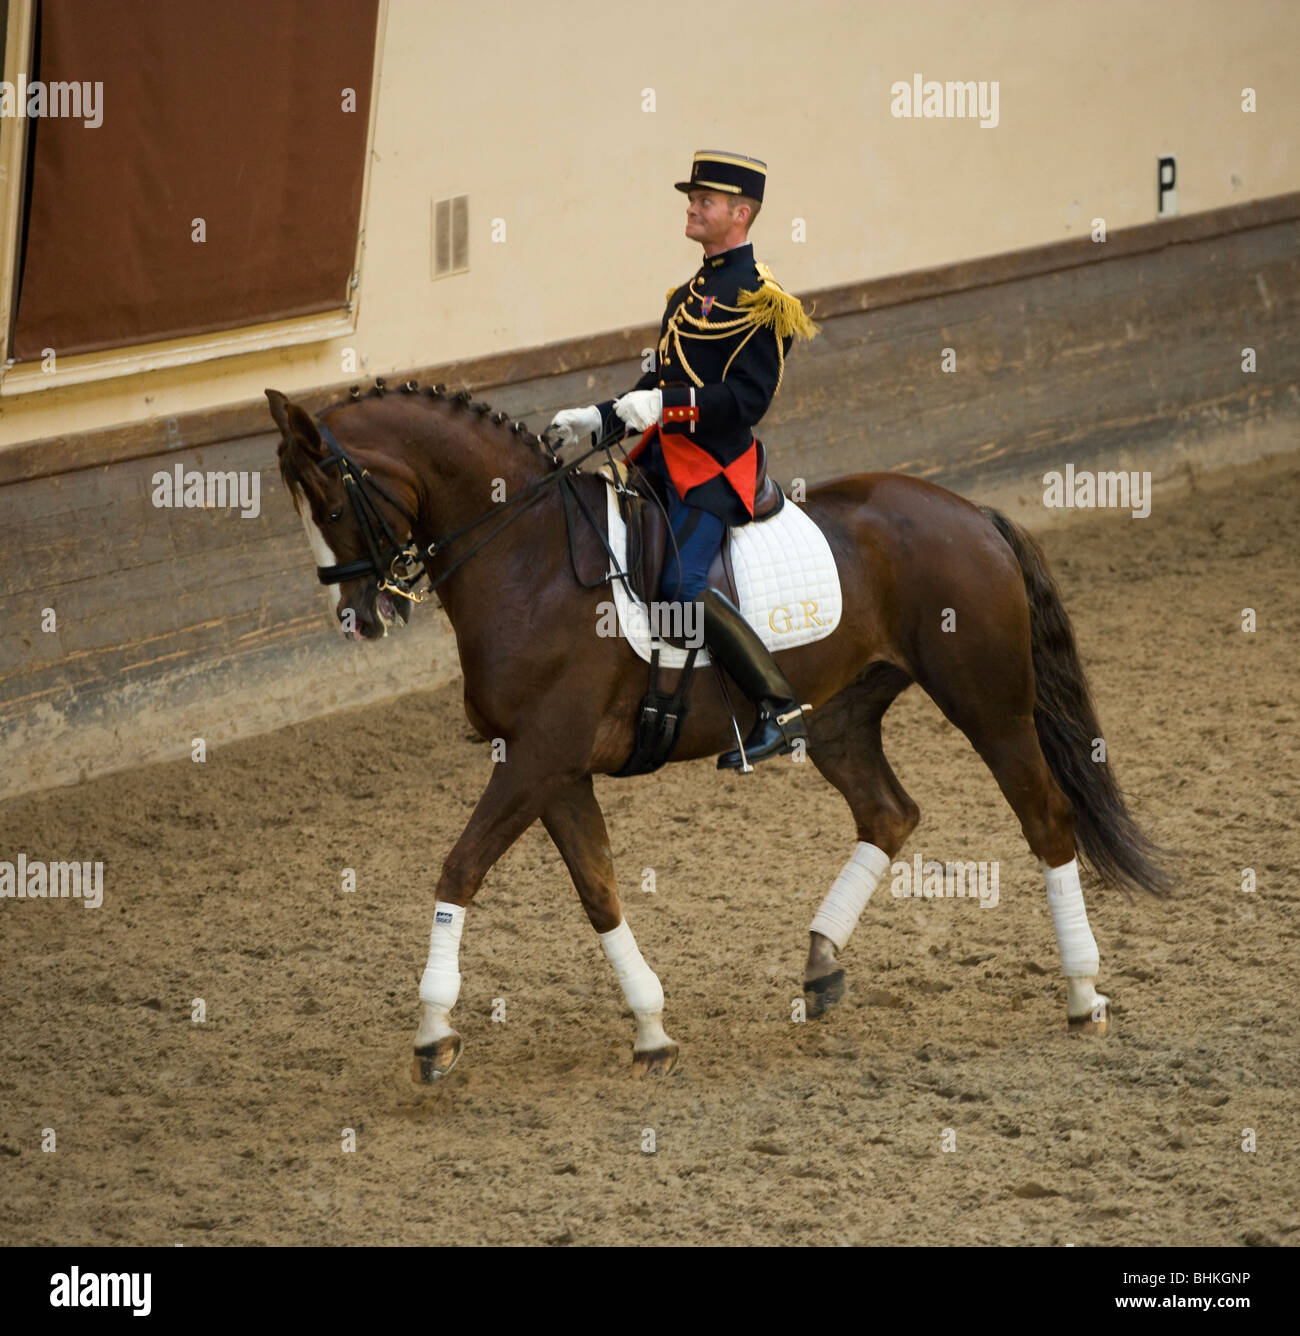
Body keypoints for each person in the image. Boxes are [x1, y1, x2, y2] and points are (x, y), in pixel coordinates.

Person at [550, 149, 819, 768]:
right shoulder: (688, 293)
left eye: (706, 201)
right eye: (692, 199)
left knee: (678, 585)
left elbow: (746, 403)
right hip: (659, 459)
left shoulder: (762, 300)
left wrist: (670, 406)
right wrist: (602, 417)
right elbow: (655, 381)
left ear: (740, 213)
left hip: (715, 471)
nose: (693, 208)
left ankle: (781, 708)